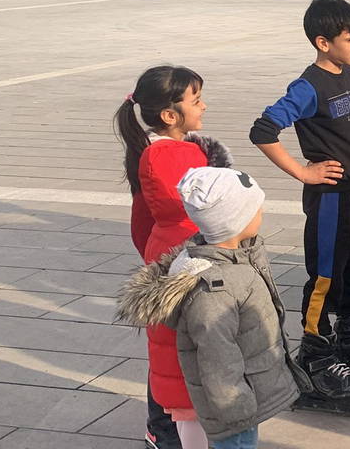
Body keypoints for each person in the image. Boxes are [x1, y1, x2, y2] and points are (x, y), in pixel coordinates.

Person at [248, 0, 350, 404]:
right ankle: (316, 355)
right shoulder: (308, 86)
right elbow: (263, 131)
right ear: (323, 42)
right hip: (330, 198)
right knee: (324, 276)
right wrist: (303, 171)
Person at [117, 167, 309, 449]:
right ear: (236, 221)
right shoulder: (216, 286)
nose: (261, 214)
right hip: (235, 405)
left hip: (247, 390)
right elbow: (217, 356)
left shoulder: (238, 257)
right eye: (256, 209)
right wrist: (235, 407)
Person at [114, 65, 232, 449]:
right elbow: (179, 209)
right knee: (173, 353)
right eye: (195, 101)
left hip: (170, 254)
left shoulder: (169, 150)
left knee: (169, 350)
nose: (204, 106)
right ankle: (163, 428)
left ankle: (167, 426)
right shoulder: (168, 155)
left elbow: (143, 223)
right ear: (170, 114)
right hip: (181, 259)